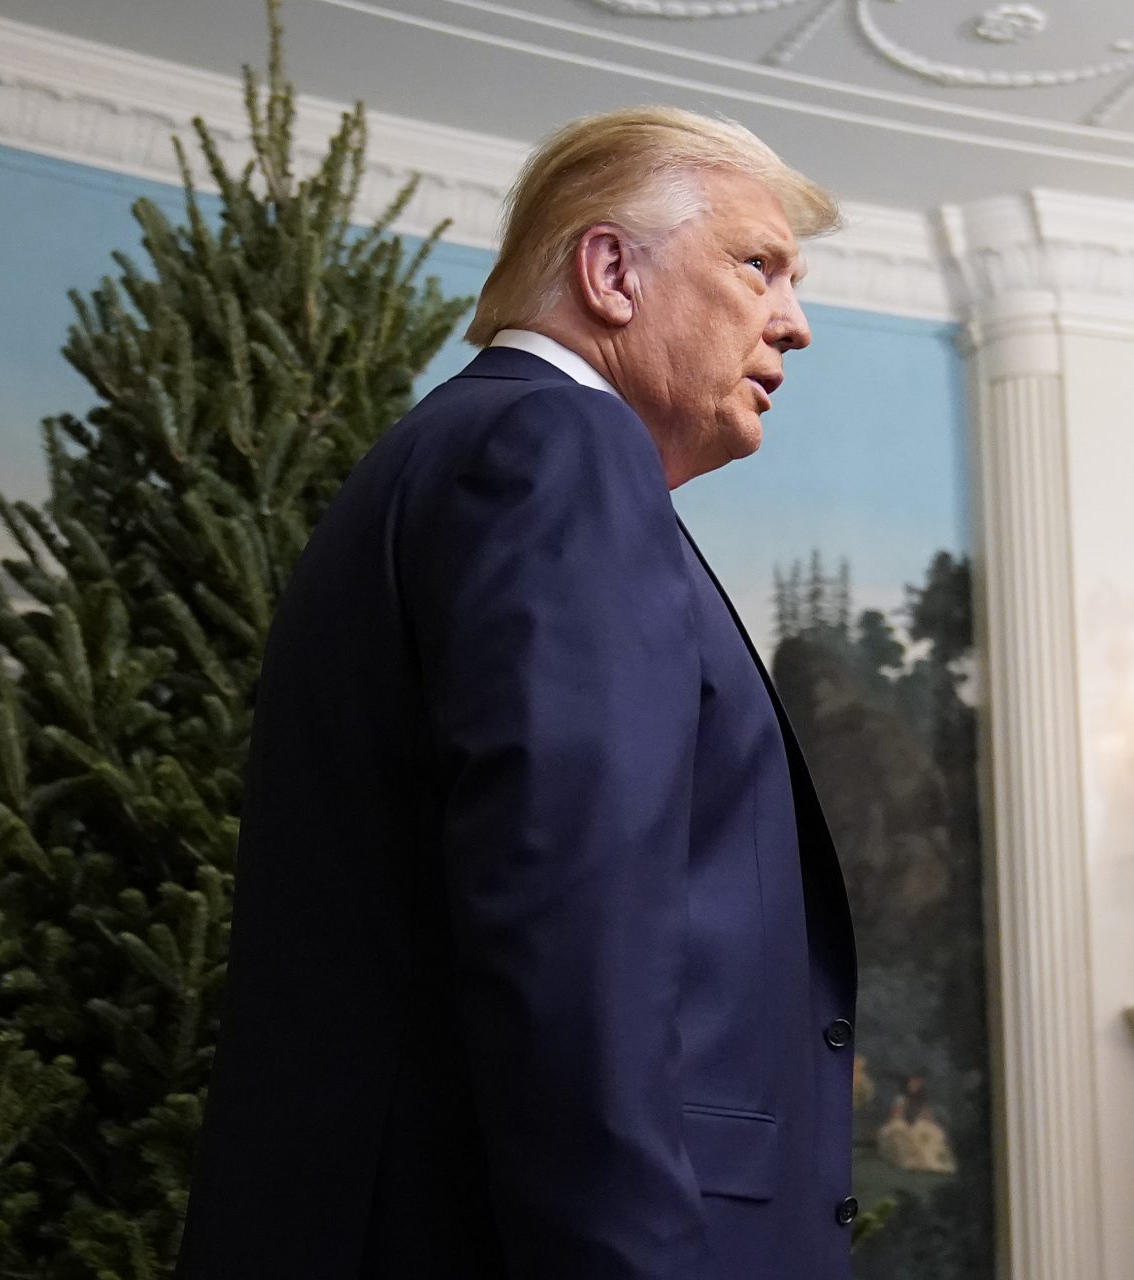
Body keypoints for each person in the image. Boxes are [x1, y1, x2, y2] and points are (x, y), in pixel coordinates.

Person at [175, 107, 858, 1280]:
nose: (793, 322)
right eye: (758, 266)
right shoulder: (556, 450)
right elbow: (572, 930)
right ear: (610, 272)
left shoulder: (465, 449)